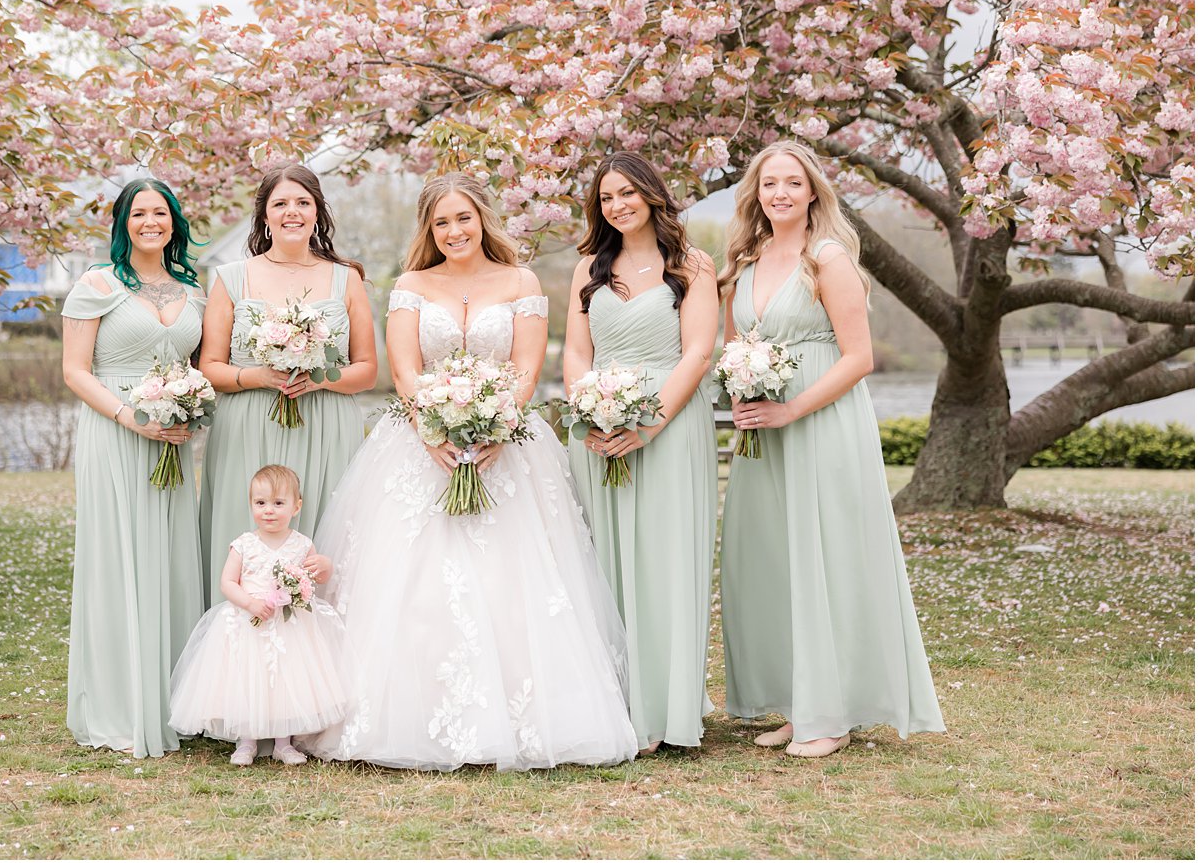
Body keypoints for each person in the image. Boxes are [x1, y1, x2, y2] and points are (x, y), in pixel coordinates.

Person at [304, 172, 639, 772]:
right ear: (429, 231)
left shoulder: (521, 281)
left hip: (507, 443)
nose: (454, 231)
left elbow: (526, 370)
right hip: (418, 445)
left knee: (518, 579)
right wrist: (434, 427)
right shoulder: (410, 285)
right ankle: (402, 715)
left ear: (483, 218)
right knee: (412, 584)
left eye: (463, 218)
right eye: (441, 223)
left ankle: (528, 718)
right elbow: (404, 371)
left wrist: (495, 429)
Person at [718, 140, 945, 758]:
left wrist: (791, 406)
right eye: (770, 185)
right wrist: (744, 392)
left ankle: (834, 714)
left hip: (821, 424)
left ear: (813, 190)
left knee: (826, 557)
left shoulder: (829, 259)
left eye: (793, 182)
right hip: (761, 433)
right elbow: (735, 345)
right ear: (756, 194)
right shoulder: (744, 258)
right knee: (775, 560)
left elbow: (860, 357)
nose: (781, 193)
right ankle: (800, 702)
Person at [563, 152, 720, 755]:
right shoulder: (587, 269)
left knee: (664, 561)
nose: (618, 205)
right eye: (606, 197)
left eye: (628, 192)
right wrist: (593, 411)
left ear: (653, 195)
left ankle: (666, 707)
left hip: (670, 426)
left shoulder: (693, 264)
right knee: (604, 563)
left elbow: (698, 354)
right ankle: (615, 703)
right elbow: (576, 354)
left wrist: (647, 425)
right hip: (599, 431)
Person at [60, 178, 206, 758]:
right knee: (119, 558)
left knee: (170, 559)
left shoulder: (194, 288)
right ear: (121, 223)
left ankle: (175, 701)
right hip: (116, 430)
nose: (152, 221)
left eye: (161, 212)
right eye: (139, 212)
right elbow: (74, 371)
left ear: (175, 221)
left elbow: (199, 364)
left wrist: (189, 411)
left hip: (171, 435)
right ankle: (122, 708)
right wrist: (129, 416)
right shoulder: (97, 284)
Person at [197, 163, 374, 600]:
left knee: (325, 533)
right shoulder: (231, 278)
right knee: (246, 539)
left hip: (326, 424)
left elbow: (368, 370)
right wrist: (255, 375)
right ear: (264, 215)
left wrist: (320, 380)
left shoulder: (346, 278)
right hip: (248, 425)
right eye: (280, 203)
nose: (291, 212)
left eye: (303, 202)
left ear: (317, 213)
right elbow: (210, 367)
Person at [168, 465, 349, 766]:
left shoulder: (302, 544)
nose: (269, 511)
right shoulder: (244, 544)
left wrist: (314, 575)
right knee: (246, 679)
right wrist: (250, 603)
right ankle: (246, 741)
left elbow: (311, 579)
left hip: (289, 626)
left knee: (287, 681)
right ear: (251, 504)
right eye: (260, 503)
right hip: (248, 624)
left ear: (296, 506)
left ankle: (283, 742)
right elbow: (227, 582)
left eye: (278, 503)